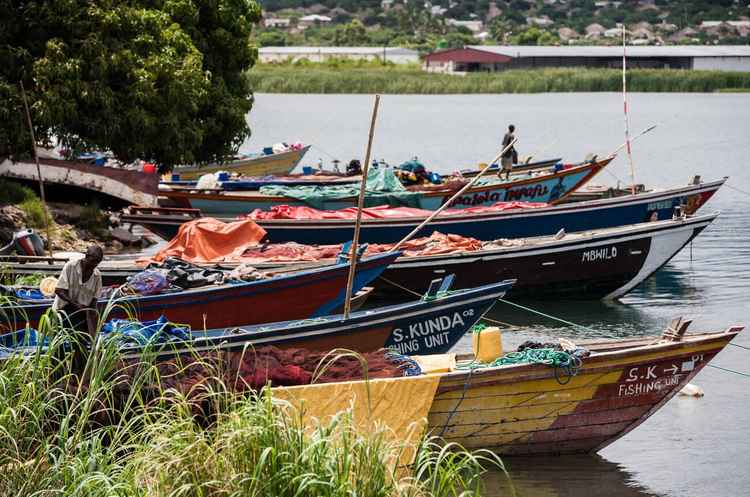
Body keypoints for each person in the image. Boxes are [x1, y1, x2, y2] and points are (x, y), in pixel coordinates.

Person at [53, 245, 104, 340]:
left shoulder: (97, 276)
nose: (94, 266)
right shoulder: (70, 266)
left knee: (81, 343)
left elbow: (94, 303)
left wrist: (94, 328)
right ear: (86, 256)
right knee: (60, 345)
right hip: (63, 311)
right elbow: (59, 290)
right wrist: (76, 304)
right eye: (92, 262)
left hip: (82, 315)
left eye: (97, 263)